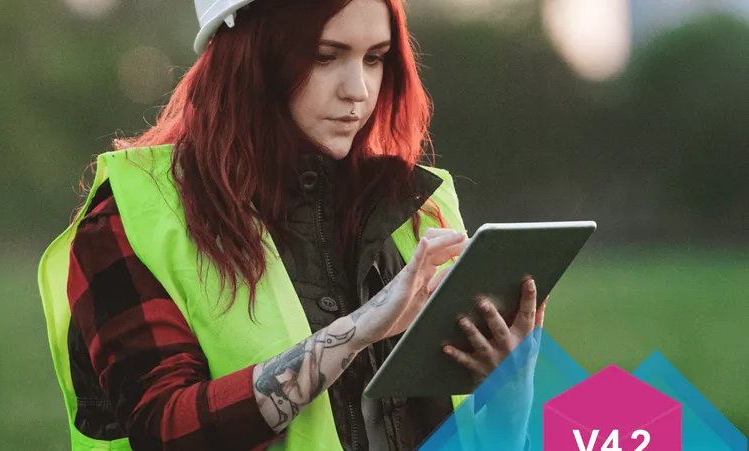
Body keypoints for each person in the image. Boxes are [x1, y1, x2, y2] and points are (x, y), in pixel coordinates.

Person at [37, 0, 548, 449]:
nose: (359, 90)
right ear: (250, 57)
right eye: (326, 56)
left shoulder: (419, 209)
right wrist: (353, 333)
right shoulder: (134, 217)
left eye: (374, 58)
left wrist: (509, 399)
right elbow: (164, 429)